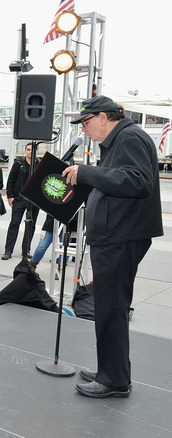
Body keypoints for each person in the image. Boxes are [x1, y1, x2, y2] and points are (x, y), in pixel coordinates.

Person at [61, 95, 163, 398]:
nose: (85, 130)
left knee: (111, 308)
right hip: (116, 235)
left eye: (87, 123)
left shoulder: (130, 137)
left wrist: (87, 173)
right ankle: (110, 368)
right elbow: (119, 180)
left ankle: (115, 379)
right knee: (108, 307)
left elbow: (137, 181)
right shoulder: (121, 140)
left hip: (122, 236)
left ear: (104, 117)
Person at [2, 142, 40, 260]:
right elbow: (11, 179)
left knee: (31, 225)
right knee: (14, 223)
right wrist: (10, 196)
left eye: (32, 150)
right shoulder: (19, 163)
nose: (30, 152)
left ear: (36, 151)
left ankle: (26, 250)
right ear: (25, 151)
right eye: (28, 149)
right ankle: (8, 251)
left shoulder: (40, 164)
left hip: (34, 199)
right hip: (19, 198)